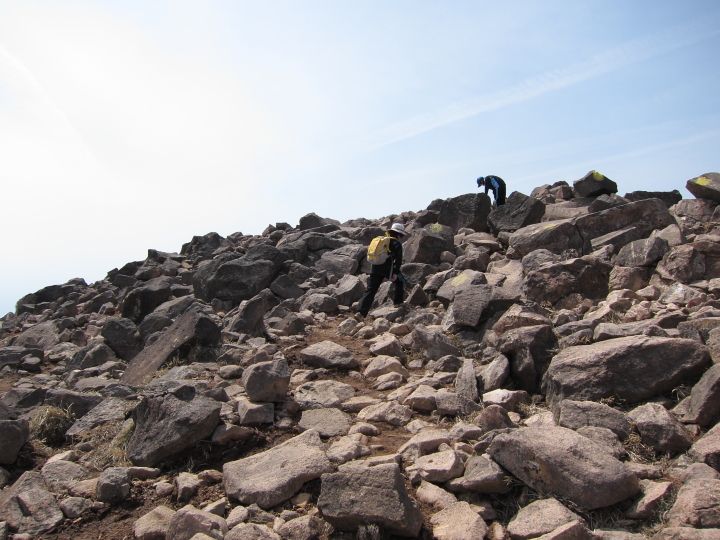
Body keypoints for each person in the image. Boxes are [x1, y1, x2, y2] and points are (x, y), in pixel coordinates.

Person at [356, 223, 409, 318]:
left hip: (375, 267)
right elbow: (399, 260)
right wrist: (396, 273)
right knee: (400, 280)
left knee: (370, 290)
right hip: (388, 269)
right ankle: (398, 302)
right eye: (401, 235)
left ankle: (360, 313)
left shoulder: (382, 241)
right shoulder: (397, 243)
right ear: (399, 234)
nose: (401, 237)